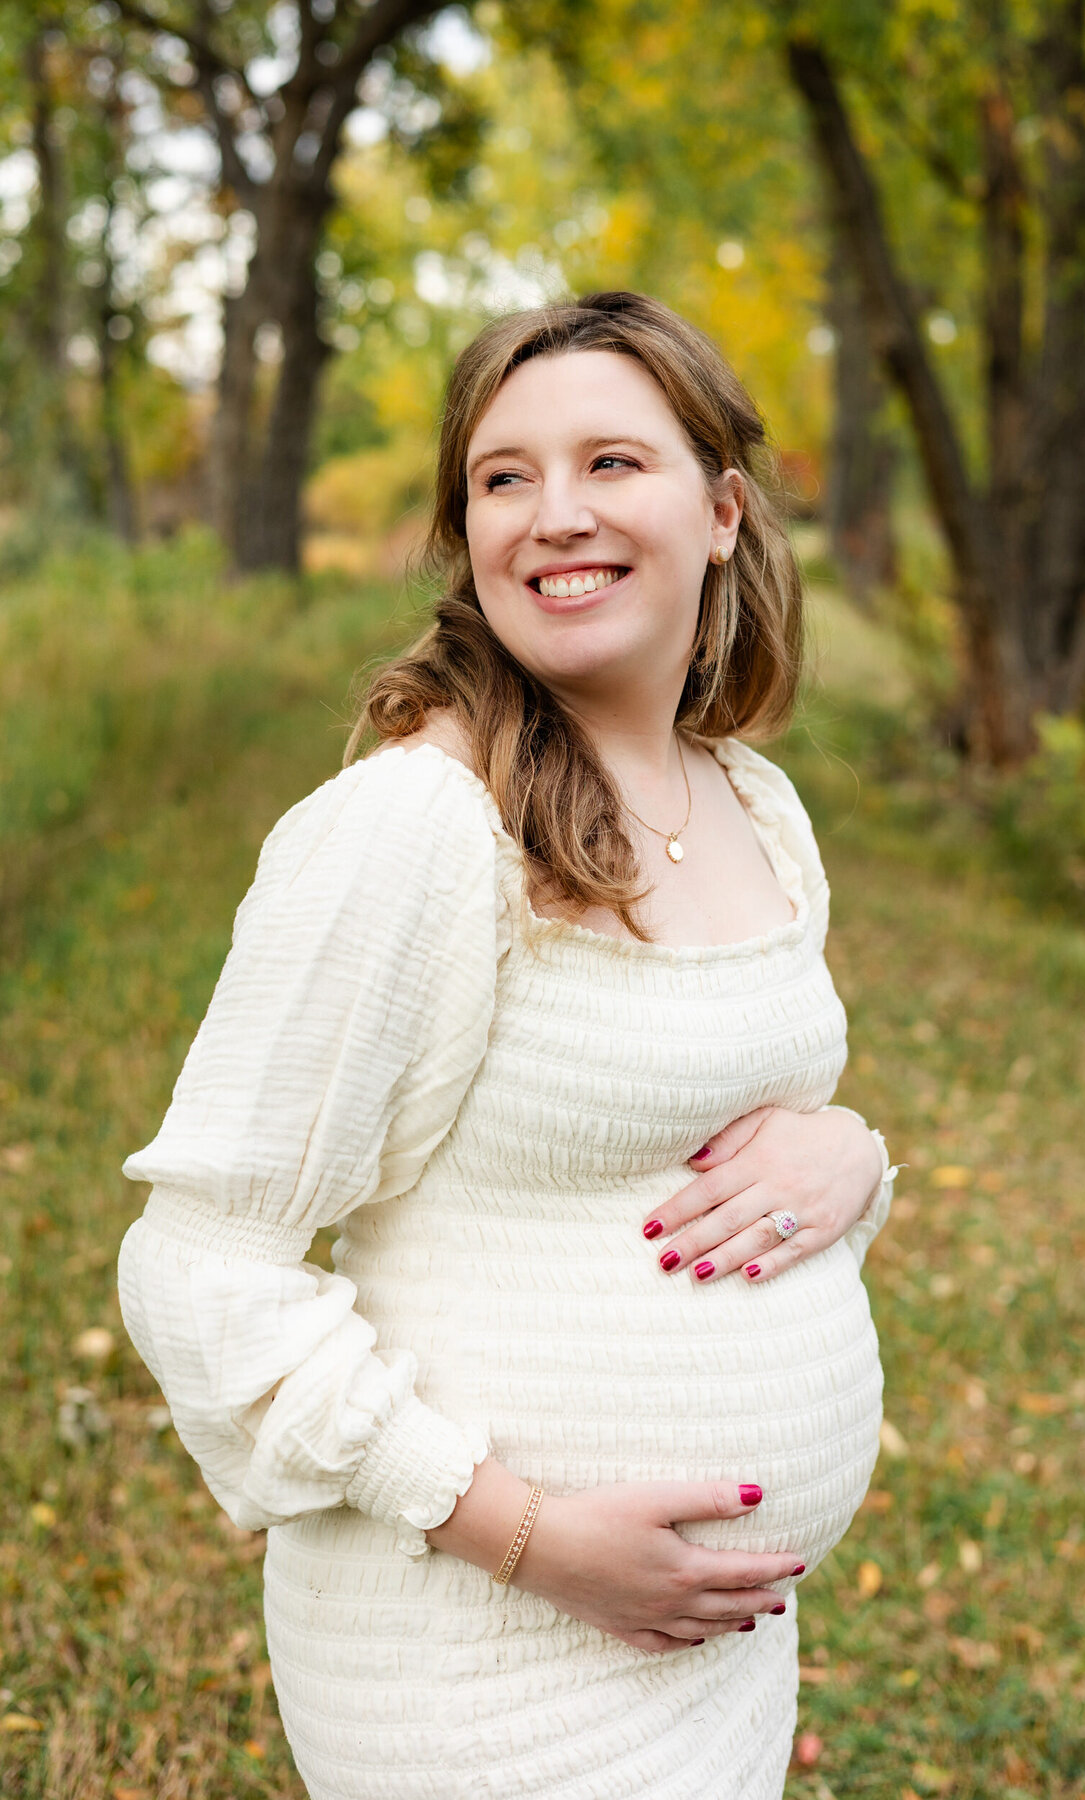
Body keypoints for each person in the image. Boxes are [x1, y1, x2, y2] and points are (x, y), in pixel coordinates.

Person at [117, 289, 898, 1800]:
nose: (555, 515)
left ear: (722, 511)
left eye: (612, 462)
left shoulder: (754, 804)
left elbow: (731, 1152)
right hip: (482, 1657)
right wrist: (533, 1538)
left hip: (719, 1656)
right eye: (503, 477)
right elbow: (198, 1267)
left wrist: (854, 1156)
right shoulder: (417, 826)